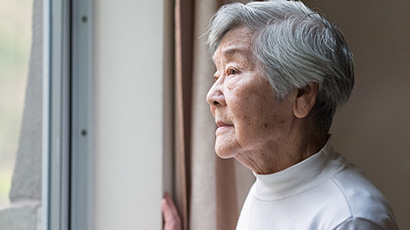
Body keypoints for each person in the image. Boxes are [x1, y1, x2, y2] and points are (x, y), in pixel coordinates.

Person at [163, 0, 399, 229]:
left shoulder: (350, 218)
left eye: (232, 71)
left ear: (302, 95)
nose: (212, 95)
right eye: (218, 76)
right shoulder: (268, 185)